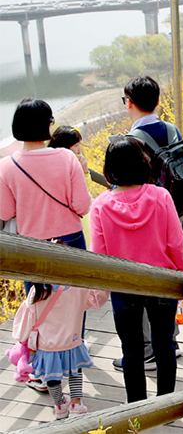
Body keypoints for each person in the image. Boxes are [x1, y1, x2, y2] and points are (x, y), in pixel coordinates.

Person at [0, 99, 92, 392]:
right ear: (49, 125)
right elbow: (82, 205)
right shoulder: (66, 159)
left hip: (33, 246)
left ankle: (41, 372)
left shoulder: (7, 166)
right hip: (70, 239)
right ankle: (74, 358)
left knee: (38, 309)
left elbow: (4, 213)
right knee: (74, 304)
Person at [89, 137, 183, 403]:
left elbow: (99, 255)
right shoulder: (160, 196)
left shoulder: (100, 205)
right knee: (164, 344)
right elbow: (176, 243)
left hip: (124, 286)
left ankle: (136, 407)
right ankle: (165, 403)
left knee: (131, 350)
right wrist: (181, 275)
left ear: (110, 168)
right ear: (144, 163)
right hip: (162, 282)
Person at [115, 76, 183, 370]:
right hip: (174, 212)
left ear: (130, 102)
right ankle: (171, 340)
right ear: (157, 102)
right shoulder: (172, 129)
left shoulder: (132, 140)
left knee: (142, 280)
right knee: (167, 277)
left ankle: (148, 349)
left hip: (145, 219)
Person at [11, 283, 108, 419]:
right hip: (71, 341)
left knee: (52, 376)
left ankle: (60, 405)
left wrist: (22, 340)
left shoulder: (38, 290)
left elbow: (28, 317)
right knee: (75, 371)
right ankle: (76, 404)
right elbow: (96, 299)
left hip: (47, 345)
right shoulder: (78, 288)